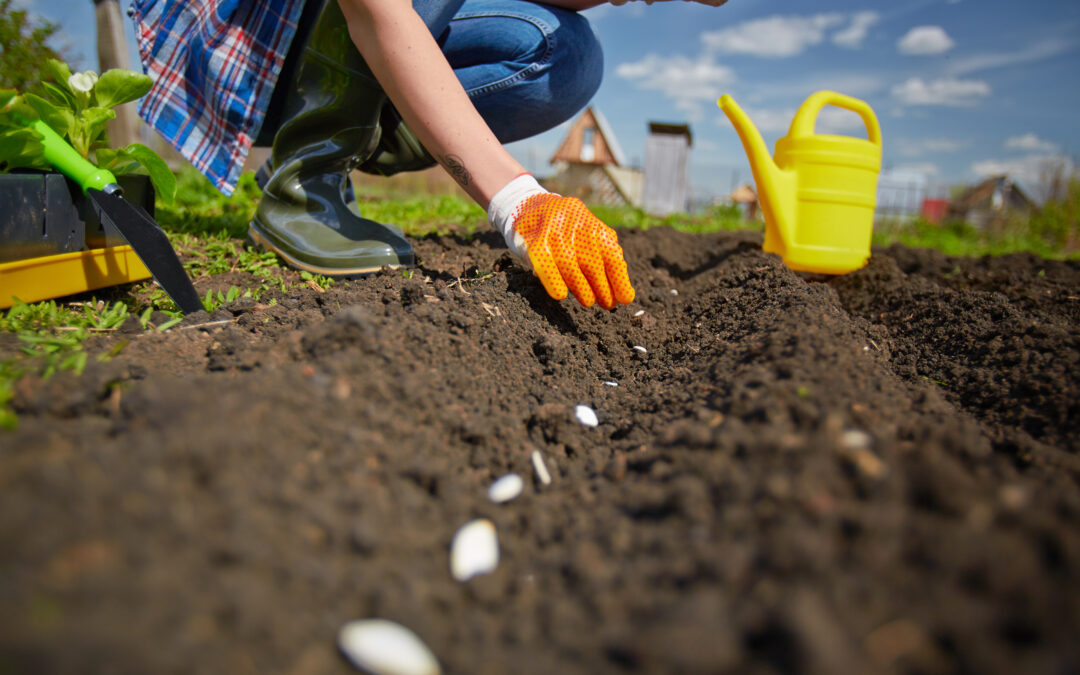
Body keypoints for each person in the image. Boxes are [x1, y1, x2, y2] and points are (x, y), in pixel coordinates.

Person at [130, 0, 727, 309]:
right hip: (252, 47)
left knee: (567, 58)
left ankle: (345, 143)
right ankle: (301, 183)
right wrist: (518, 199)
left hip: (332, 43)